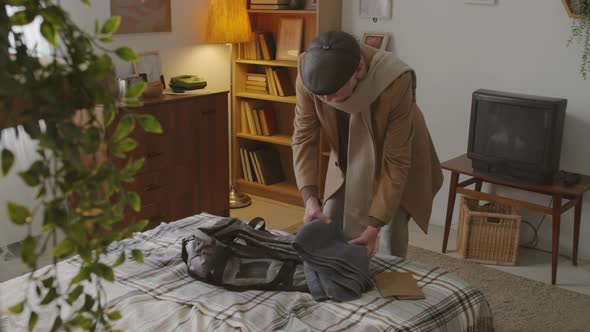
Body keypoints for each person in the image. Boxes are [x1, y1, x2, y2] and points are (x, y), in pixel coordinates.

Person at [292, 31, 443, 258]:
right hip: (347, 146)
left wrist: (374, 225)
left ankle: (392, 279)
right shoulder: (309, 71)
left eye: (333, 95)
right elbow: (304, 137)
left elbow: (396, 161)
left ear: (359, 71)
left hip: (398, 149)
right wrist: (310, 199)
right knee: (330, 216)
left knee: (391, 229)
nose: (327, 102)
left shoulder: (396, 80)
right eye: (321, 97)